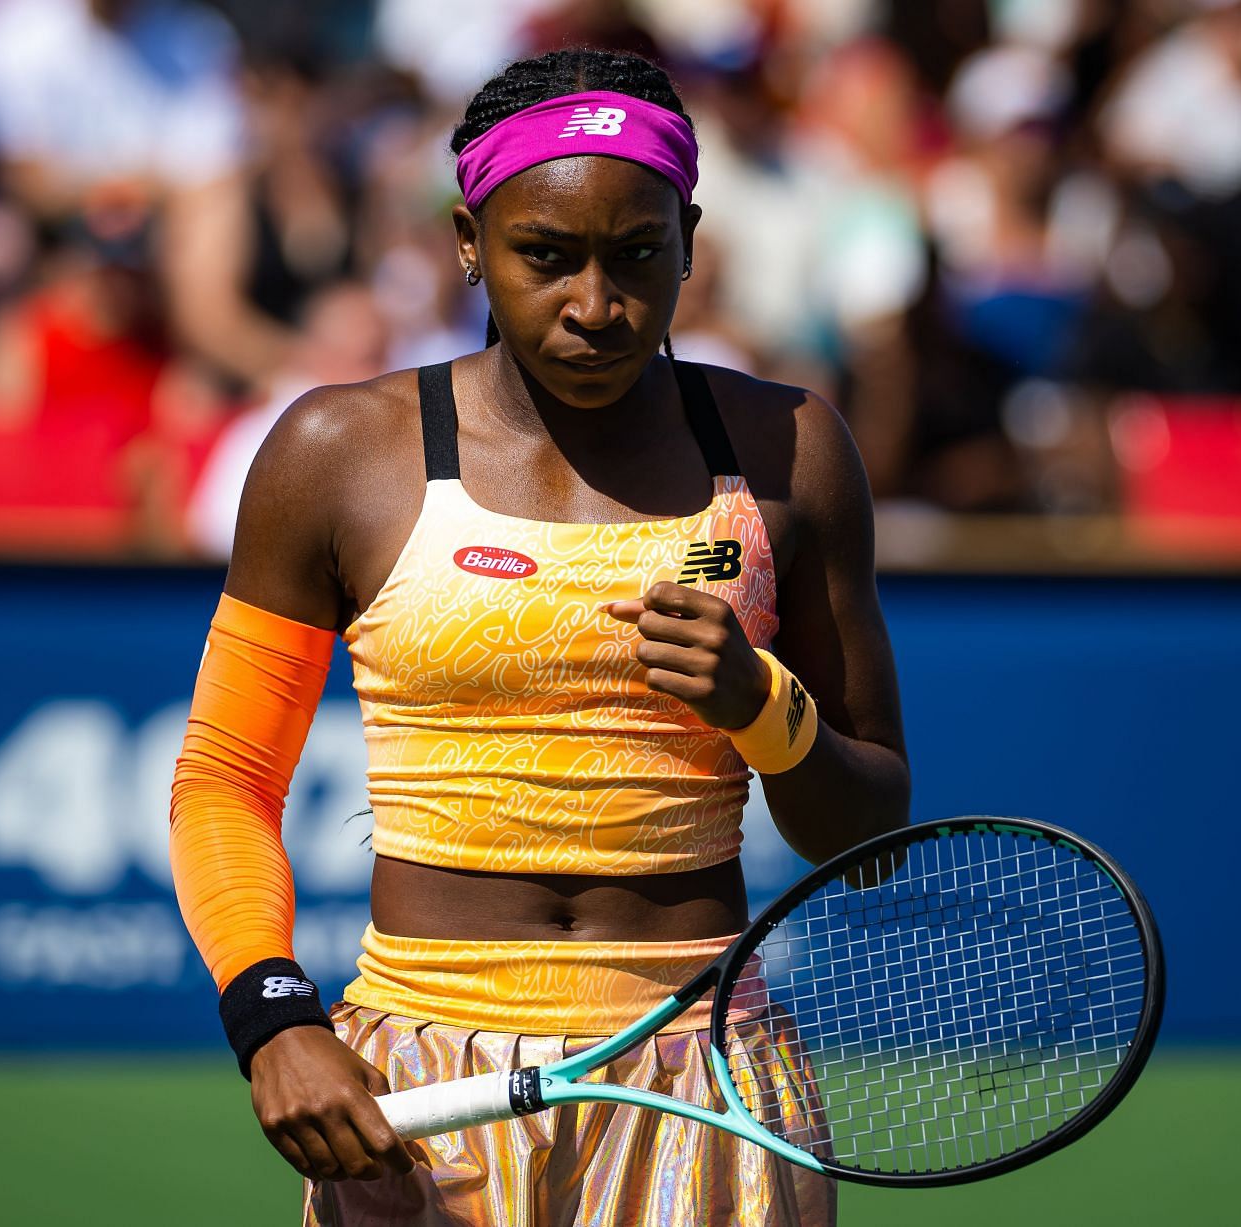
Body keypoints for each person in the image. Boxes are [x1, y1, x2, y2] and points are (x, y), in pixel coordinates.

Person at [168, 48, 909, 1226]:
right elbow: (224, 780)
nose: (596, 306)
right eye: (545, 257)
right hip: (419, 1076)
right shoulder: (335, 455)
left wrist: (761, 708)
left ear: (691, 238)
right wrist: (274, 1022)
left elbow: (870, 832)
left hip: (705, 1071)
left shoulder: (793, 450)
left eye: (638, 256)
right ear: (468, 240)